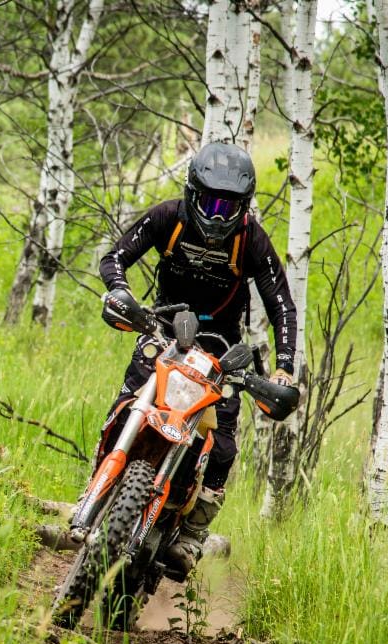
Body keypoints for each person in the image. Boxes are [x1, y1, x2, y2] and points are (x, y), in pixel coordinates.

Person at [89, 141, 297, 578]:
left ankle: (193, 536)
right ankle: (96, 489)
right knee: (125, 405)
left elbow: (281, 304)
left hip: (221, 352)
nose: (218, 215)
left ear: (244, 206)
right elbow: (114, 258)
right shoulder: (168, 217)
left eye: (229, 205)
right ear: (192, 193)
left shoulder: (252, 238)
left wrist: (284, 366)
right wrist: (121, 293)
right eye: (211, 202)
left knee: (222, 448)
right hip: (163, 331)